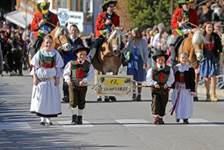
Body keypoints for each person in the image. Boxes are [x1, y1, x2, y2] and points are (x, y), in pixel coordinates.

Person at [30, 35, 64, 126]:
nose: (48, 44)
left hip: (51, 81)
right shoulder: (40, 53)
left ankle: (48, 118)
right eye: (46, 42)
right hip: (41, 81)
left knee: (49, 100)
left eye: (50, 42)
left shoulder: (55, 53)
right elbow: (35, 67)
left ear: (52, 43)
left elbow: (58, 67)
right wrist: (35, 78)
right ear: (43, 43)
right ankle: (42, 118)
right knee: (41, 99)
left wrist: (57, 78)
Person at [63, 44, 94, 125]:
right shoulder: (71, 63)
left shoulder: (88, 65)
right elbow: (66, 73)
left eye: (84, 54)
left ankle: (80, 117)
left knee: (81, 101)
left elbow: (91, 75)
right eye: (81, 54)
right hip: (73, 85)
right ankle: (74, 117)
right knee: (73, 101)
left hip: (83, 86)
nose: (82, 56)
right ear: (77, 54)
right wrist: (68, 80)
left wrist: (85, 80)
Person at [146, 50, 174, 124]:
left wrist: (167, 84)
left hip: (164, 88)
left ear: (164, 60)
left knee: (163, 102)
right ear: (156, 60)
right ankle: (156, 117)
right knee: (155, 102)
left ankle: (161, 117)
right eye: (159, 59)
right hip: (156, 88)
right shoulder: (152, 69)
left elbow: (171, 78)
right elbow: (148, 78)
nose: (161, 61)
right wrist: (154, 83)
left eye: (162, 59)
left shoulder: (169, 69)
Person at [171, 0, 199, 65]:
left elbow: (196, 23)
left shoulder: (193, 12)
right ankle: (173, 60)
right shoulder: (177, 11)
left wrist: (194, 29)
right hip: (179, 31)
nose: (187, 6)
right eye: (185, 4)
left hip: (191, 31)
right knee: (172, 44)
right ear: (182, 5)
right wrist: (180, 24)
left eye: (188, 4)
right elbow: (173, 24)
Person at [200, 22, 223, 102]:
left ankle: (213, 94)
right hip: (205, 58)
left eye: (211, 27)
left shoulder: (215, 36)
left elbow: (220, 49)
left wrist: (220, 59)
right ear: (205, 28)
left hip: (214, 57)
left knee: (213, 77)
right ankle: (207, 94)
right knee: (206, 77)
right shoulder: (201, 36)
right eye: (208, 27)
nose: (209, 28)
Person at [61, 24, 84, 103]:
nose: (73, 32)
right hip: (67, 62)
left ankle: (75, 96)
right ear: (70, 31)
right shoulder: (66, 40)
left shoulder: (79, 40)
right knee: (66, 80)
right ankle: (66, 95)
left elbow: (82, 51)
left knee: (75, 79)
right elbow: (62, 50)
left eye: (75, 30)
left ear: (77, 31)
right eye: (72, 30)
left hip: (76, 63)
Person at [171, 52, 195, 124]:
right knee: (178, 103)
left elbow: (192, 80)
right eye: (182, 58)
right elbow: (172, 78)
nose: (184, 59)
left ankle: (185, 118)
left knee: (186, 103)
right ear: (179, 58)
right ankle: (178, 116)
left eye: (185, 57)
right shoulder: (176, 68)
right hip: (178, 89)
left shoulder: (190, 68)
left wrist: (192, 89)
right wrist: (175, 84)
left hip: (186, 90)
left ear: (187, 58)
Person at [126, 28, 149, 101]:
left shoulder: (143, 41)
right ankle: (133, 93)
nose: (134, 34)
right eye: (133, 33)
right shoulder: (130, 41)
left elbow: (145, 52)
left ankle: (139, 94)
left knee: (139, 79)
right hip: (131, 60)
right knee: (132, 78)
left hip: (139, 60)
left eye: (135, 33)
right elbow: (126, 50)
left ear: (139, 33)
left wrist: (145, 62)